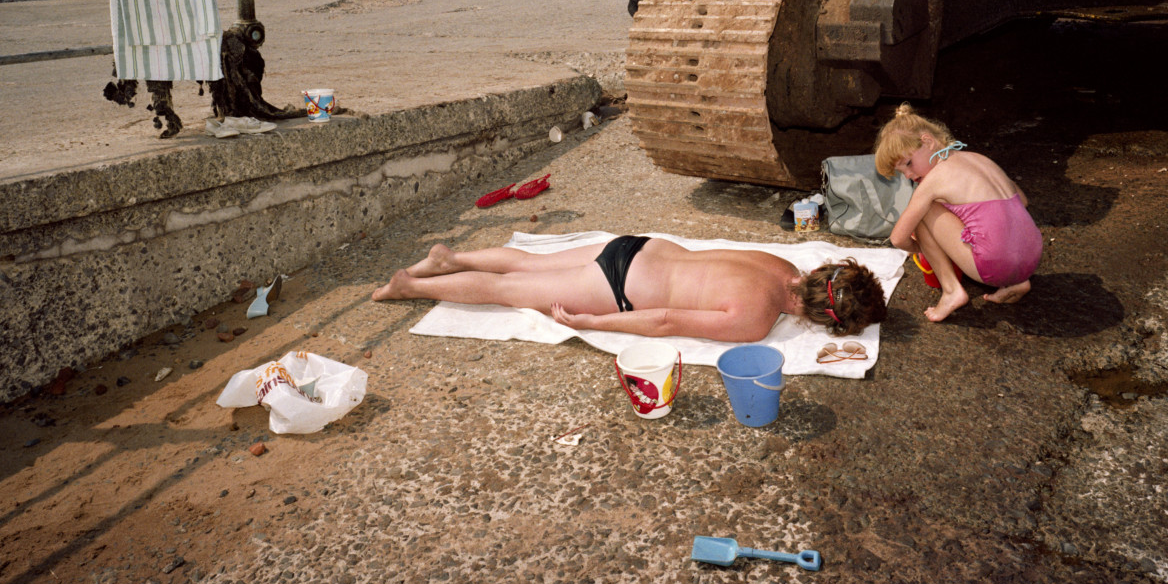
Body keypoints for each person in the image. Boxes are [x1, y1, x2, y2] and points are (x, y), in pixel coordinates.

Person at [372, 236, 887, 342]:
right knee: (508, 291)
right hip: (621, 284)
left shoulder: (782, 266)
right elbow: (664, 320)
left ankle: (450, 258)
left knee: (530, 264)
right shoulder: (758, 318)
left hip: (639, 248)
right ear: (825, 318)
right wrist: (595, 322)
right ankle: (410, 286)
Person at [875, 104, 1043, 323]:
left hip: (995, 265)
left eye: (908, 163)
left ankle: (951, 290)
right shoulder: (979, 159)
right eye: (901, 172)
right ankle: (1016, 280)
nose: (908, 175)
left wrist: (922, 247)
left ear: (928, 141)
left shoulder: (934, 180)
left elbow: (898, 238)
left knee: (923, 210)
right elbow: (1023, 200)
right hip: (1032, 255)